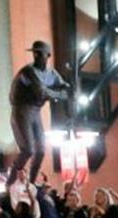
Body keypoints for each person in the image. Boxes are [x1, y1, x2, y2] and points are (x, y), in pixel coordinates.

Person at [8, 40, 71, 182]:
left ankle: (31, 182)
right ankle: (11, 181)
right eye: (35, 53)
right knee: (28, 149)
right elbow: (41, 93)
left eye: (39, 53)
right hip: (21, 111)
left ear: (47, 55)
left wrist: (57, 92)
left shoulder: (51, 73)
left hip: (36, 111)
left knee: (41, 150)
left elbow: (66, 90)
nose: (36, 56)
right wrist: (57, 94)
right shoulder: (28, 71)